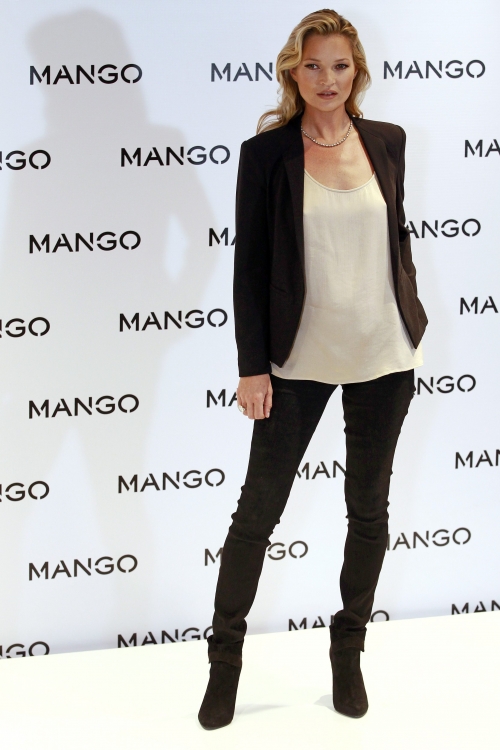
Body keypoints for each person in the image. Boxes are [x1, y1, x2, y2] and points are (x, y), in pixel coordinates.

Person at [198, 8, 427, 730]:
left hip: (383, 355)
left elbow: (393, 236)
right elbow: (249, 268)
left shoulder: (387, 141)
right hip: (295, 361)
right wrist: (252, 366)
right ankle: (225, 664)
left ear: (358, 72)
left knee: (369, 513)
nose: (328, 79)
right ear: (293, 72)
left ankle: (347, 652)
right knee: (256, 515)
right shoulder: (266, 154)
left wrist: (409, 309)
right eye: (313, 65)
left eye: (340, 66)